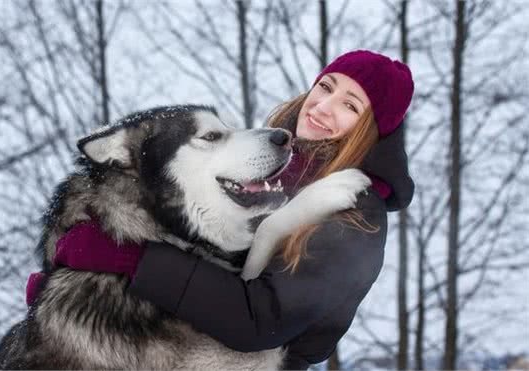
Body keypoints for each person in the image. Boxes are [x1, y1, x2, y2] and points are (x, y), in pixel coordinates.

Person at [41, 49, 414, 369]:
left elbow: (258, 319)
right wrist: (79, 302)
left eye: (350, 105)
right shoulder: (273, 173)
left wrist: (132, 260)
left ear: (369, 131)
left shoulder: (355, 208)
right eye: (325, 87)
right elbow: (212, 270)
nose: (323, 106)